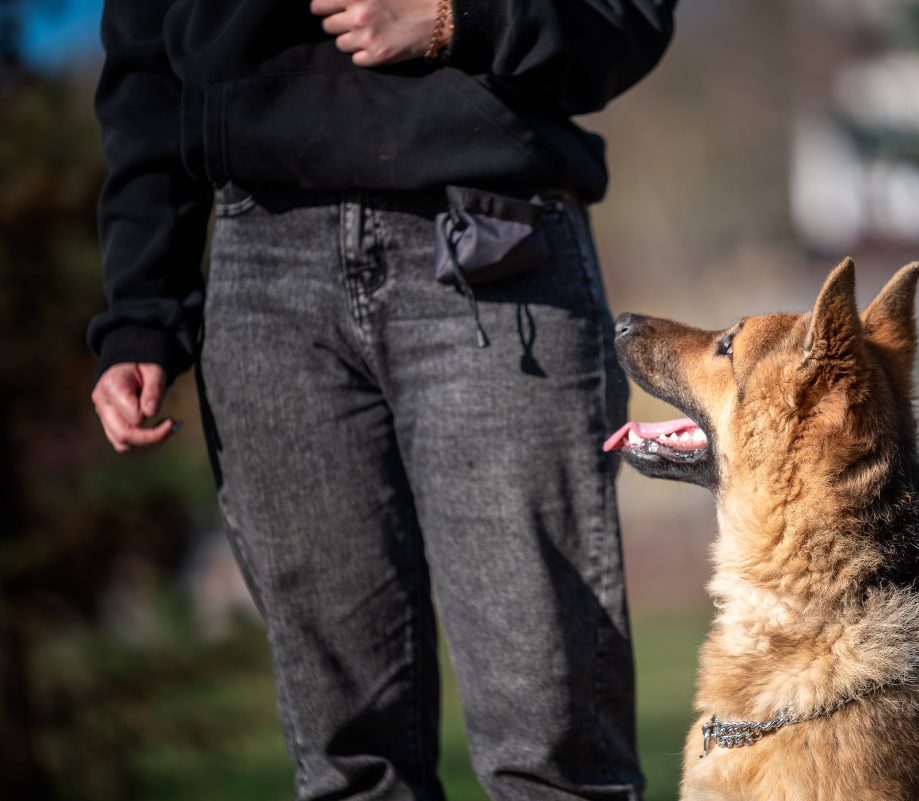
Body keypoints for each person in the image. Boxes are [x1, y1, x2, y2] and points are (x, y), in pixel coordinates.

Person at [86, 1, 676, 799]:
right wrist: (140, 311)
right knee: (350, 770)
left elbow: (624, 17)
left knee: (553, 756)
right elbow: (143, 66)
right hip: (263, 268)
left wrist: (454, 18)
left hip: (489, 238)